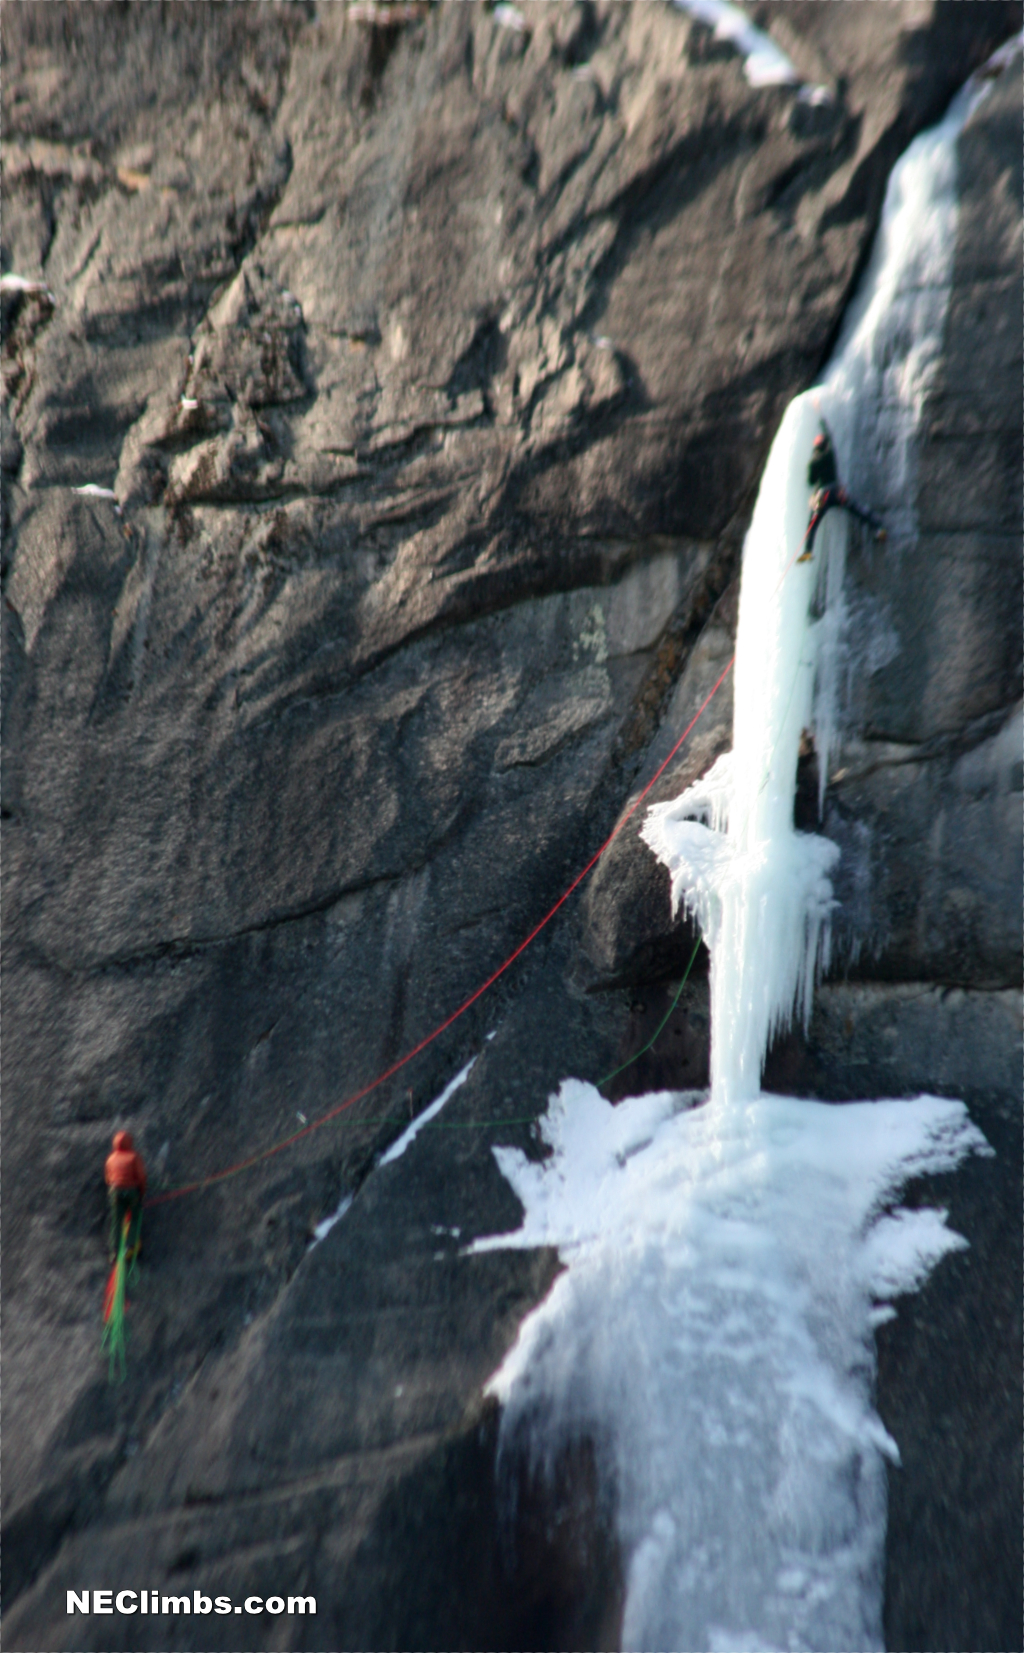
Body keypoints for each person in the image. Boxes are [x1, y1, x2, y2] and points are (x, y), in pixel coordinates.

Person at [797, 426, 886, 562]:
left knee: (813, 523)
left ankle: (808, 551)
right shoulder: (830, 454)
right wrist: (823, 424)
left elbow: (811, 481)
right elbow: (830, 438)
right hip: (837, 492)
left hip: (822, 496)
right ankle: (878, 528)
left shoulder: (813, 462)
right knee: (856, 509)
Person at [105, 1131, 147, 1263]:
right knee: (135, 1218)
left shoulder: (110, 1159)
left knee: (116, 1222)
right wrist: (142, 1192)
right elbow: (141, 1177)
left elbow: (108, 1179)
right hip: (131, 1191)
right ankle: (131, 1246)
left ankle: (114, 1252)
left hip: (115, 1192)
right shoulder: (134, 1157)